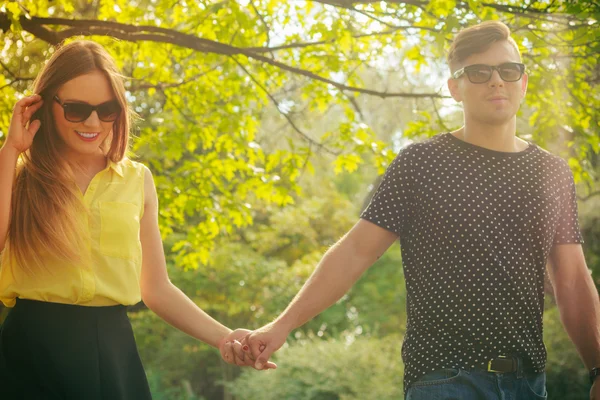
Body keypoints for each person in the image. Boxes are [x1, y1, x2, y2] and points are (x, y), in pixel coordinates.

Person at [221, 21, 600, 399]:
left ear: (524, 82)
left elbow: (572, 281)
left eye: (508, 70)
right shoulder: (421, 163)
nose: (496, 81)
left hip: (529, 384)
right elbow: (354, 253)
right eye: (479, 72)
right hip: (445, 381)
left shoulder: (552, 172)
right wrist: (281, 324)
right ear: (455, 87)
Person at [0, 40, 274, 400]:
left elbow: (156, 288)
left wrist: (224, 336)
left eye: (107, 109)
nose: (93, 122)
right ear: (46, 106)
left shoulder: (138, 180)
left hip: (112, 352)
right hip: (29, 352)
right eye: (77, 109)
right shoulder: (17, 175)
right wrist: (10, 150)